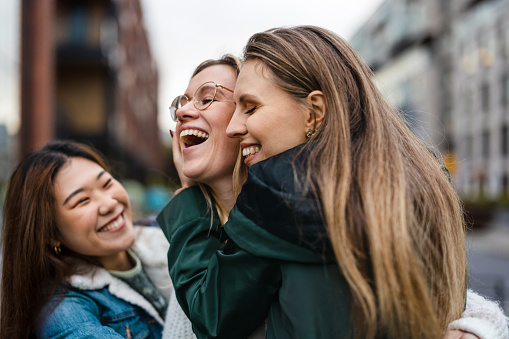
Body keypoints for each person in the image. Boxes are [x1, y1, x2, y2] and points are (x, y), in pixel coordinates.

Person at [158, 26, 509, 339]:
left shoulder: (277, 192)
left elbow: (212, 316)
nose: (236, 125)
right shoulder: (421, 178)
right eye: (182, 102)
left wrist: (188, 197)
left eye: (248, 107)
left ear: (314, 112)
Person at [0, 141, 173, 338]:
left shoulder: (165, 235)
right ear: (51, 235)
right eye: (82, 200)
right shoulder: (66, 314)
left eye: (107, 183)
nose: (109, 203)